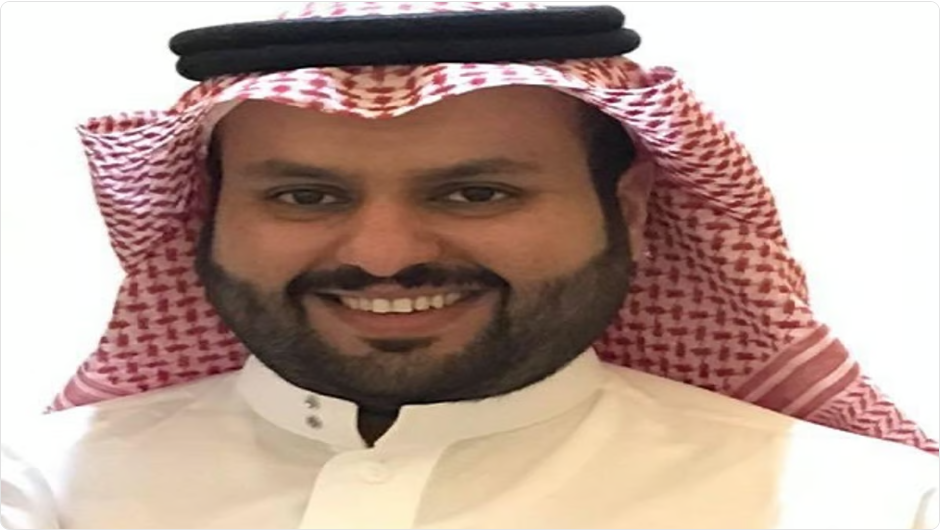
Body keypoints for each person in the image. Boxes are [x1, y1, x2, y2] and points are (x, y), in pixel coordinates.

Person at [2, 2, 937, 529]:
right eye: (304, 196)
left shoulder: (867, 508)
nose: (384, 254)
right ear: (209, 216)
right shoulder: (42, 493)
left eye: (476, 193)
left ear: (631, 211)